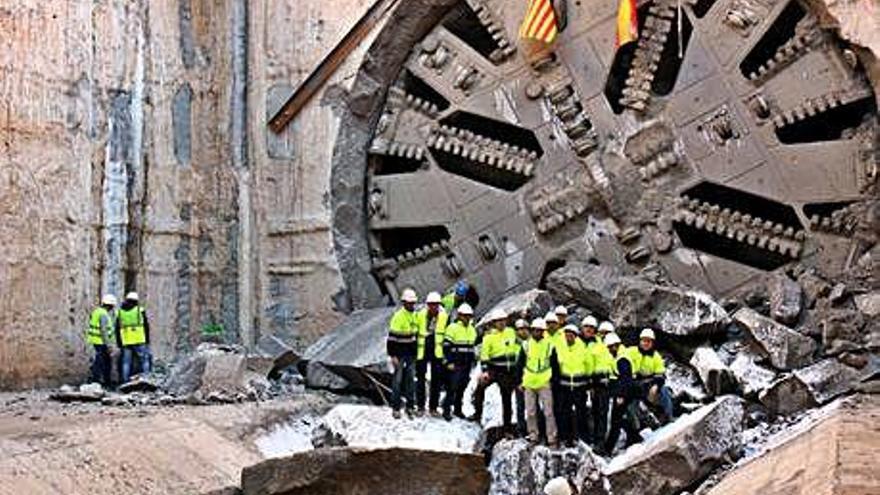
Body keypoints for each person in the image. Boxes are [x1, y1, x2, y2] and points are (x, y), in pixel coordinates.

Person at [471, 309, 520, 434]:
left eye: (503, 321)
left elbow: (519, 345)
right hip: (495, 369)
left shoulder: (511, 332)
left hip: (509, 370)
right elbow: (485, 355)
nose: (501, 323)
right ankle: (477, 414)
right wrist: (485, 371)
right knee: (480, 388)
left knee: (507, 398)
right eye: (498, 321)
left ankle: (507, 426)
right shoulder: (489, 337)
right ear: (494, 323)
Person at [601, 333, 643, 455]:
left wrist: (621, 396)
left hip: (625, 392)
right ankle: (634, 437)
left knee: (616, 420)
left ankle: (608, 449)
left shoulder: (622, 359)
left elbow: (626, 379)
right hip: (625, 391)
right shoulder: (620, 355)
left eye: (611, 347)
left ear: (616, 346)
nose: (609, 350)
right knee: (620, 418)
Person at [519, 318, 558, 447]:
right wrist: (519, 381)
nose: (537, 332)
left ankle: (551, 437)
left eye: (540, 330)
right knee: (530, 412)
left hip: (544, 381)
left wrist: (553, 381)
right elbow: (520, 364)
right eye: (535, 330)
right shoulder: (526, 345)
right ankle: (533, 436)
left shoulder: (550, 345)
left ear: (543, 331)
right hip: (529, 382)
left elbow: (555, 365)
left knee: (548, 412)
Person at [556, 324, 592, 447]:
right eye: (566, 335)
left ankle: (583, 438)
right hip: (564, 386)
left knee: (581, 413)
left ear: (576, 336)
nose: (568, 337)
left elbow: (589, 365)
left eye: (571, 335)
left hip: (579, 386)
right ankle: (567, 438)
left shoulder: (582, 347)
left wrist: (588, 381)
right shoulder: (560, 347)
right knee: (565, 413)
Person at [387, 288, 420, 418]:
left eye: (413, 302)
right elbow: (391, 339)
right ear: (404, 303)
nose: (411, 305)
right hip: (399, 354)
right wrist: (392, 355)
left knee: (410, 381)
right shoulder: (398, 317)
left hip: (411, 354)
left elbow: (415, 336)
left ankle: (410, 407)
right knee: (398, 381)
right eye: (409, 302)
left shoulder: (415, 316)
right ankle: (396, 408)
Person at [415, 291, 449, 416]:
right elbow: (415, 332)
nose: (433, 307)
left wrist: (446, 355)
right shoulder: (419, 315)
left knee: (436, 380)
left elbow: (447, 335)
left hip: (437, 351)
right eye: (431, 304)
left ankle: (433, 408)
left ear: (439, 305)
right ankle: (420, 406)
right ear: (427, 305)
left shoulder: (445, 317)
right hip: (422, 350)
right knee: (420, 379)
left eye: (435, 304)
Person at [631, 328, 674, 424]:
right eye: (644, 340)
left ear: (652, 343)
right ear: (640, 341)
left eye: (648, 341)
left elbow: (661, 375)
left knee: (664, 391)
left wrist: (656, 386)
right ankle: (636, 426)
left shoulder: (656, 356)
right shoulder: (631, 352)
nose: (646, 343)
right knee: (630, 399)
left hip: (649, 384)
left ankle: (669, 417)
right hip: (635, 384)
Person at [442, 303, 477, 421]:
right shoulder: (452, 328)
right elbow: (446, 346)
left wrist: (472, 360)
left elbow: (471, 347)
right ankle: (446, 410)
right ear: (460, 316)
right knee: (452, 387)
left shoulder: (472, 330)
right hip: (455, 363)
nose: (467, 318)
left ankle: (458, 409)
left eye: (469, 316)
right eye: (465, 316)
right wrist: (448, 362)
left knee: (462, 387)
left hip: (466, 363)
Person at [582, 316, 611, 447]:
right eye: (586, 327)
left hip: (602, 383)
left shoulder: (602, 345)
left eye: (591, 328)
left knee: (601, 412)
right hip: (586, 381)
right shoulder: (580, 342)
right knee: (592, 411)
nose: (588, 330)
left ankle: (600, 441)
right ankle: (589, 437)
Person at [116, 292, 152, 384]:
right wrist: (147, 339)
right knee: (144, 360)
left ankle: (125, 382)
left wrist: (119, 342)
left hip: (126, 340)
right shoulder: (140, 310)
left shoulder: (120, 312)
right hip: (139, 339)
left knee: (126, 362)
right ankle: (146, 379)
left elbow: (117, 328)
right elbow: (145, 326)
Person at [87, 294, 117, 388]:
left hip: (96, 341)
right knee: (103, 362)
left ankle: (99, 381)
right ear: (110, 305)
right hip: (101, 342)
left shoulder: (96, 312)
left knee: (100, 361)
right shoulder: (103, 314)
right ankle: (102, 382)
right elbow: (104, 331)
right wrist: (108, 345)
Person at [513, 318, 530, 437]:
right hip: (517, 377)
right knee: (520, 405)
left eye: (524, 329)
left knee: (532, 406)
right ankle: (521, 429)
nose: (522, 332)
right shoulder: (513, 343)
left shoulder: (531, 343)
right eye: (519, 329)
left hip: (531, 378)